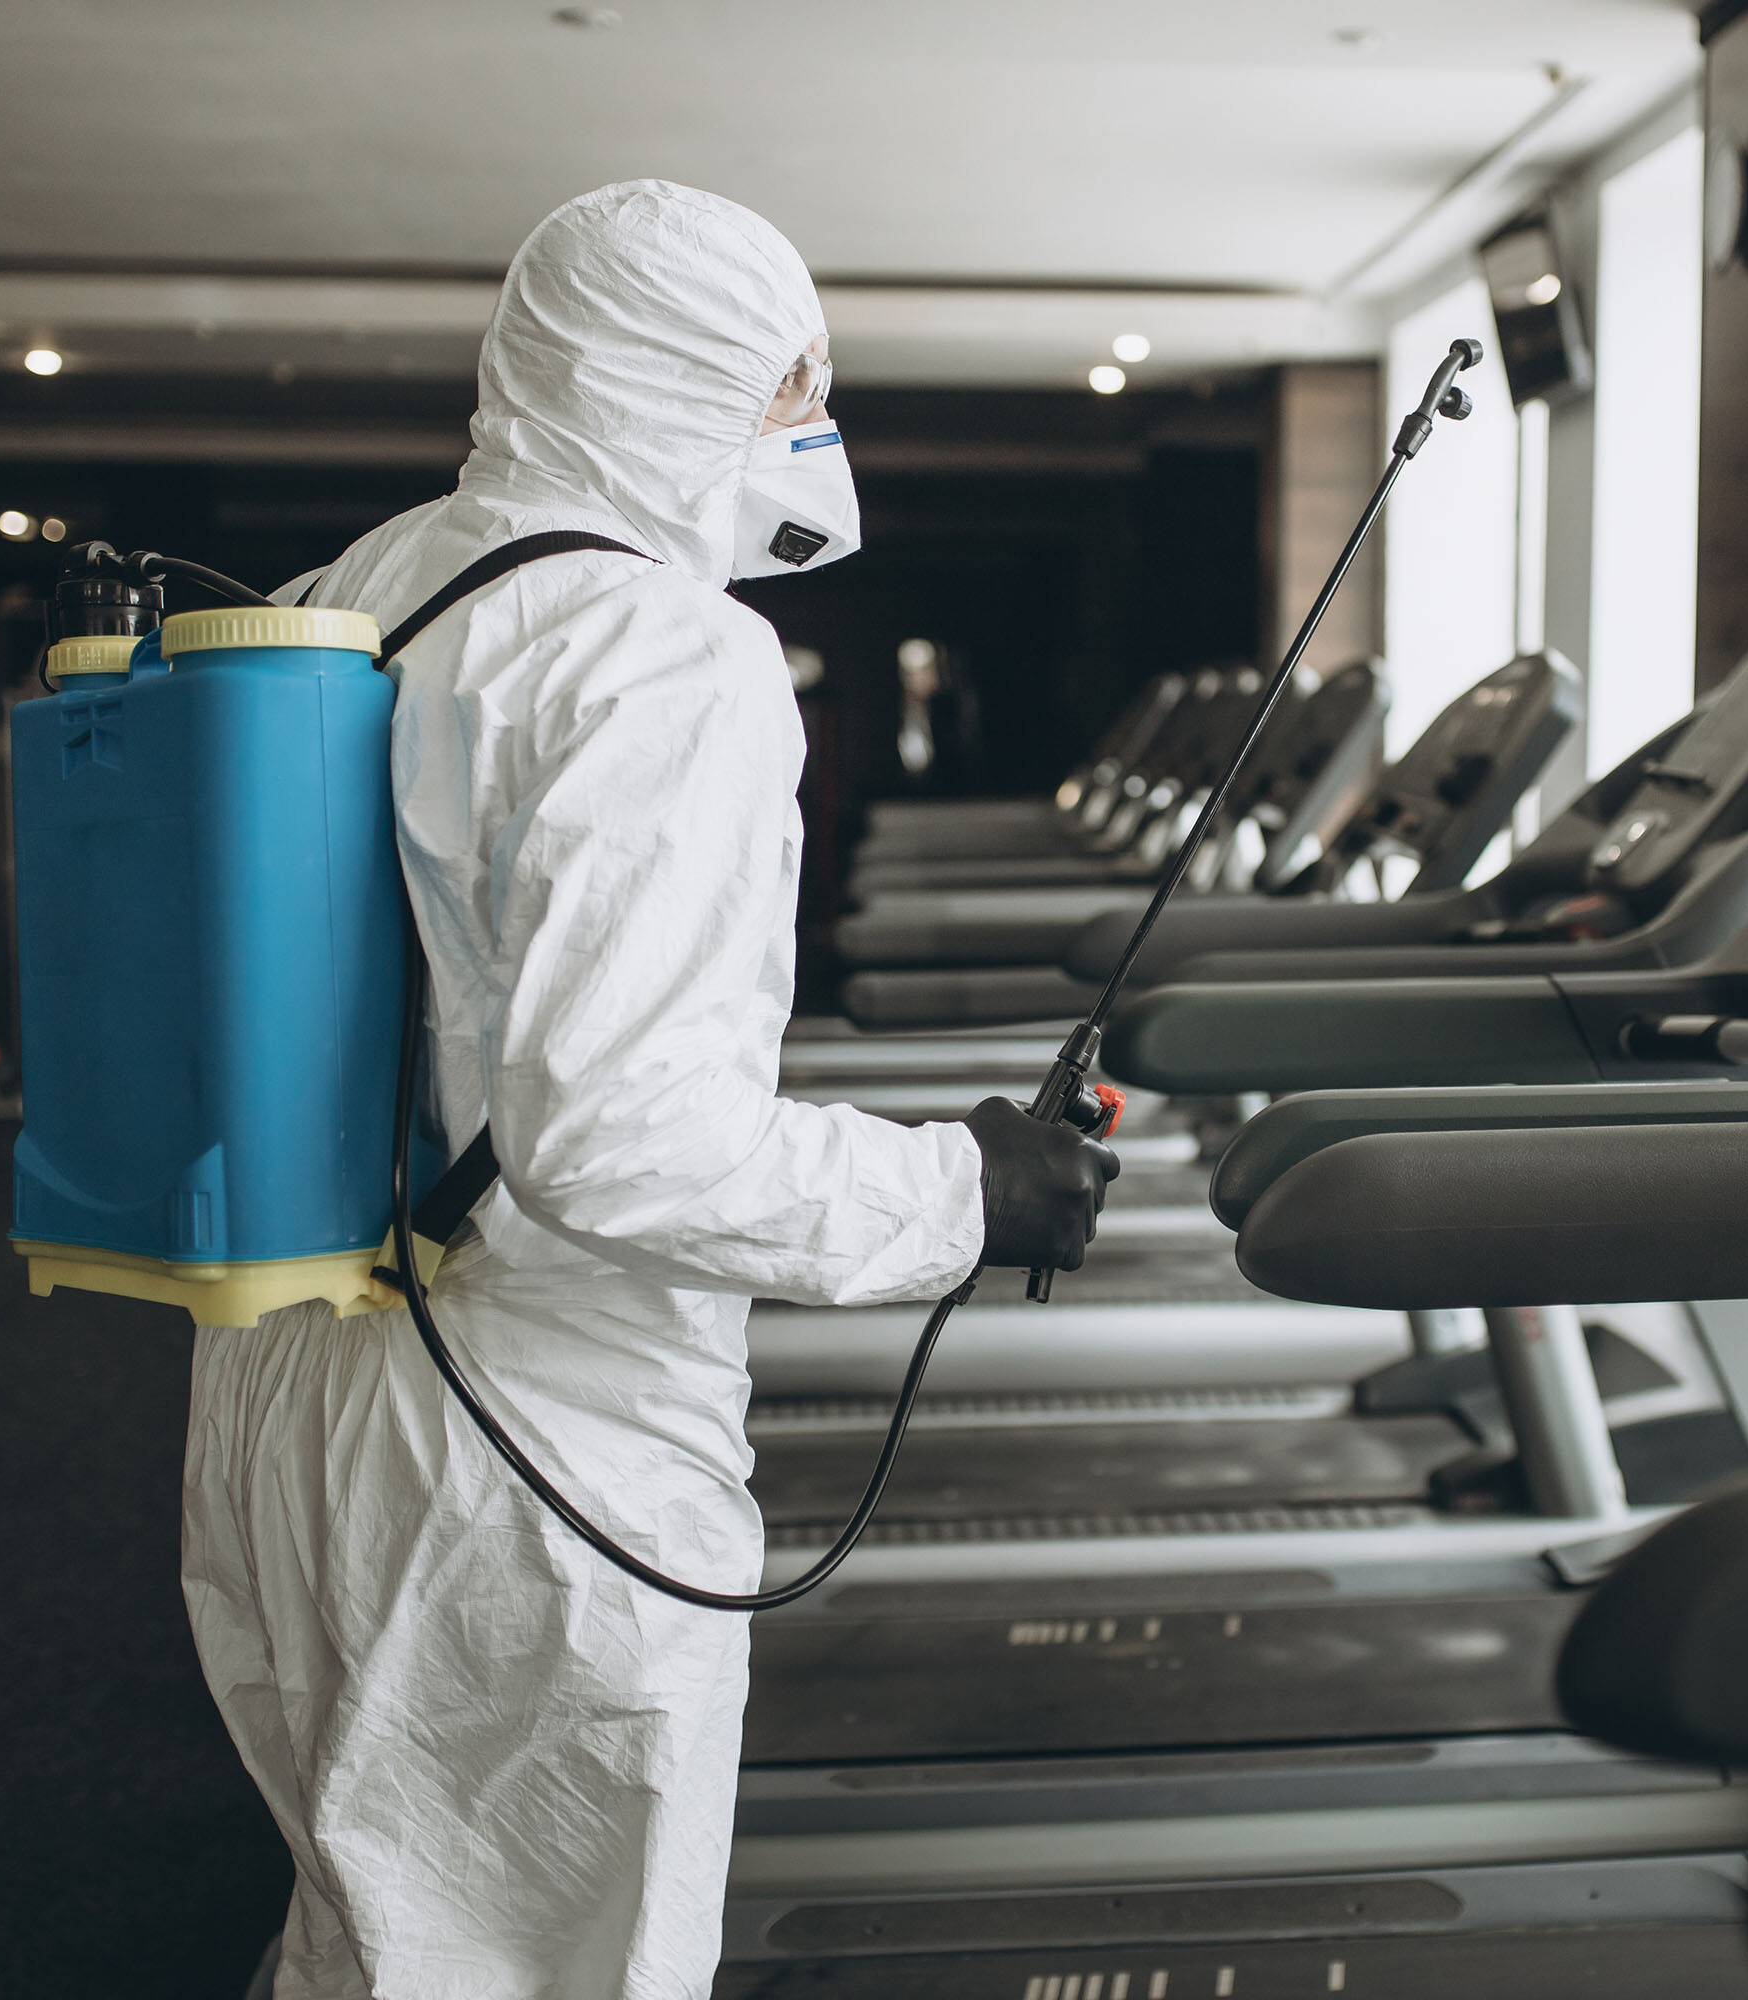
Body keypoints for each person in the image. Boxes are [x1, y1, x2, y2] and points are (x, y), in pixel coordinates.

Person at [180, 181, 1118, 2000]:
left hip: (288, 1394)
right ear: (685, 375)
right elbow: (621, 1143)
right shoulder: (664, 650)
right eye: (794, 383)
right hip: (528, 1444)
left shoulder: (358, 583)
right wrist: (966, 1193)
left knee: (372, 1930)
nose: (813, 427)